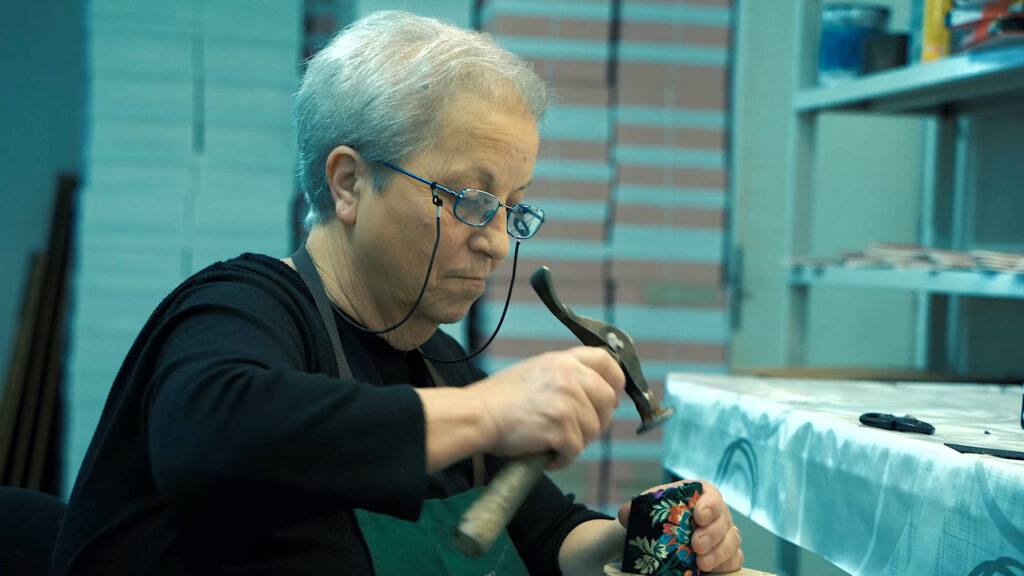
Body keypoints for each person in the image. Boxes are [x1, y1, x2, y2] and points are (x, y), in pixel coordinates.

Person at [52, 10, 743, 576]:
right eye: (470, 199)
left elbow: (546, 535)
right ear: (350, 184)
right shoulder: (242, 306)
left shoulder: (438, 363)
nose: (497, 242)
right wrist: (487, 412)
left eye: (512, 208)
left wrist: (639, 540)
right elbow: (208, 438)